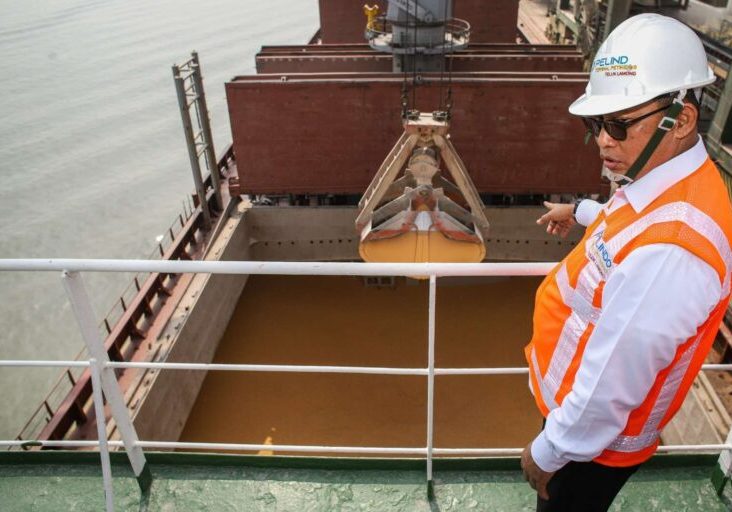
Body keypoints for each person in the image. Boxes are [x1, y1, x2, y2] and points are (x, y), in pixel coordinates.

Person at [520, 13, 732, 511]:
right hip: (579, 427)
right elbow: (625, 225)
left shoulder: (672, 251)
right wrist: (580, 212)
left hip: (589, 448)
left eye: (618, 124)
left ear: (680, 121)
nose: (602, 140)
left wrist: (550, 450)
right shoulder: (669, 180)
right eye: (595, 123)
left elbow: (614, 379)